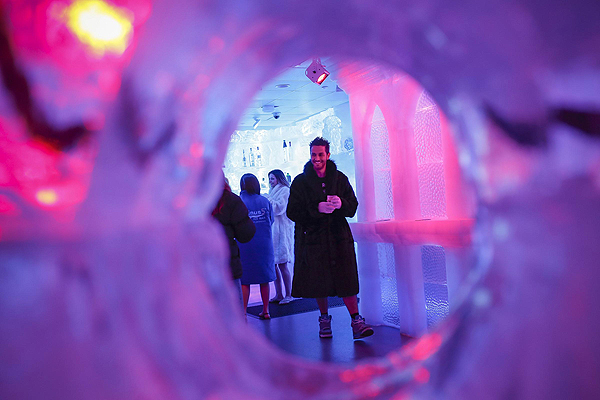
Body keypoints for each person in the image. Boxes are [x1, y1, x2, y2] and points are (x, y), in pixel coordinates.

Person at [286, 137, 374, 339]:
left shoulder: (340, 178)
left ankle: (356, 320)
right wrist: (315, 208)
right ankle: (324, 319)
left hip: (338, 237)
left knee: (346, 278)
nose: (316, 158)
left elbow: (353, 206)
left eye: (320, 154)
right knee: (319, 280)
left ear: (328, 154)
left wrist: (341, 203)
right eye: (313, 155)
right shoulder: (300, 182)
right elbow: (292, 212)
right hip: (313, 239)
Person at [211, 176, 256, 308]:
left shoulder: (187, 200)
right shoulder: (230, 200)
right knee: (233, 310)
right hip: (227, 262)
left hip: (198, 267)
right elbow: (246, 233)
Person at [238, 173, 276, 319]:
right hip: (264, 244)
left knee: (245, 280)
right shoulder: (265, 201)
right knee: (264, 278)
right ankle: (266, 310)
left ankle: (243, 312)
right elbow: (271, 220)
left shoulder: (239, 201)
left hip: (245, 244)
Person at [266, 169, 294, 305]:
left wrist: (268, 199)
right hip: (274, 231)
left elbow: (280, 208)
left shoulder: (284, 191)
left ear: (279, 178)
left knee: (282, 264)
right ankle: (278, 293)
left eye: (272, 179)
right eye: (269, 179)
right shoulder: (273, 191)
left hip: (282, 231)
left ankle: (288, 294)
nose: (270, 182)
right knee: (275, 264)